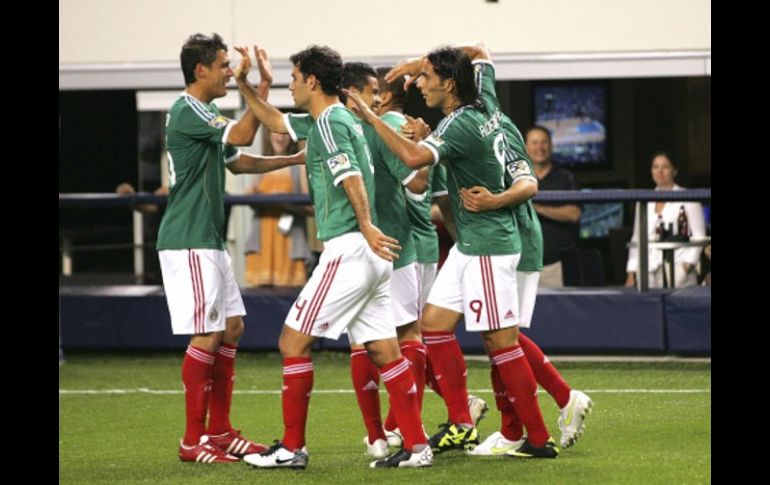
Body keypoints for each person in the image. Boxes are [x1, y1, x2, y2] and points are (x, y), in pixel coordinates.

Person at [349, 43, 558, 458]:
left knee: (501, 342)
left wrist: (371, 118)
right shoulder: (484, 94)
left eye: (426, 77)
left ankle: (537, 437)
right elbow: (478, 50)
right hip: (469, 244)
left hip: (488, 244)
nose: (419, 84)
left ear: (449, 83)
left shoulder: (459, 126)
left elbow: (412, 157)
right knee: (434, 323)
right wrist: (419, 60)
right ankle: (463, 420)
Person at [235, 45, 433, 469]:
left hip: (349, 250)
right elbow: (273, 118)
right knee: (385, 351)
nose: (289, 83)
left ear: (311, 80)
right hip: (372, 258)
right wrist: (246, 86)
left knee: (292, 342)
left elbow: (352, 177)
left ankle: (292, 448)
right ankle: (417, 447)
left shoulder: (328, 123)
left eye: (293, 76)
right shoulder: (334, 119)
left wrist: (365, 227)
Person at [156, 34, 305, 464]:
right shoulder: (186, 110)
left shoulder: (204, 112)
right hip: (188, 240)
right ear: (200, 70)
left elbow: (237, 160)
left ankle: (218, 431)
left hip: (208, 240)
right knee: (207, 332)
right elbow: (241, 135)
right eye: (222, 65)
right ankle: (192, 441)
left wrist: (291, 161)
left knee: (232, 327)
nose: (227, 70)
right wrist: (251, 86)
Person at [454, 50, 593, 452]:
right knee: (495, 336)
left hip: (510, 236)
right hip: (500, 238)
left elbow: (528, 186)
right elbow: (480, 52)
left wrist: (493, 201)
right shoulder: (486, 108)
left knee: (503, 336)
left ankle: (550, 408)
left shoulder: (483, 125)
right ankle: (515, 426)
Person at [338, 62, 432, 460]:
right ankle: (406, 431)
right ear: (358, 92)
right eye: (372, 90)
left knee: (360, 341)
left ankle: (377, 435)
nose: (377, 97)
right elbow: (418, 183)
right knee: (410, 337)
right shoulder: (390, 125)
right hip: (396, 244)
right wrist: (423, 147)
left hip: (353, 246)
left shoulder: (332, 125)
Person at [625, 151, 706, 288]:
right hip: (647, 270)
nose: (660, 171)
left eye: (665, 167)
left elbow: (699, 237)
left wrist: (686, 268)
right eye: (655, 167)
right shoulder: (644, 201)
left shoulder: (688, 197)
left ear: (674, 171)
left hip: (678, 268)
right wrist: (631, 273)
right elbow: (637, 238)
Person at [243, 129, 311, 287]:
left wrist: (286, 202)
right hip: (261, 241)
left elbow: (311, 207)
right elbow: (252, 195)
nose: (280, 137)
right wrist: (251, 194)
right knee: (258, 298)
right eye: (276, 132)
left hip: (289, 242)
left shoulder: (299, 166)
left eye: (285, 133)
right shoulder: (260, 163)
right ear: (269, 135)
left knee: (290, 298)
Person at [526, 126, 581, 287]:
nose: (539, 147)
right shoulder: (516, 178)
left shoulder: (566, 177)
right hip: (523, 264)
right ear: (525, 147)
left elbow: (574, 214)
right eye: (534, 143)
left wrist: (537, 208)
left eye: (544, 142)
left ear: (551, 145)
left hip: (557, 264)